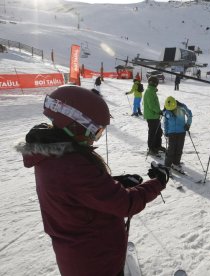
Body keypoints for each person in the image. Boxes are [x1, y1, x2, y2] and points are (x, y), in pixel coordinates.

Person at [15, 85, 169, 276]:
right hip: (96, 261)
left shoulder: (50, 153)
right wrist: (159, 181)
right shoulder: (72, 164)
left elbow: (78, 191)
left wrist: (116, 183)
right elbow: (126, 204)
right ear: (74, 125)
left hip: (77, 256)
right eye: (95, 132)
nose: (95, 139)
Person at [163, 96, 192, 173]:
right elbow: (165, 122)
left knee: (179, 148)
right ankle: (167, 166)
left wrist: (188, 124)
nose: (171, 110)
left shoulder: (182, 107)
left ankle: (176, 163)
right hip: (171, 132)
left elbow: (189, 114)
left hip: (181, 131)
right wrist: (166, 131)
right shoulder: (167, 110)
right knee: (171, 149)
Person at [143, 76, 165, 156]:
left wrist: (159, 112)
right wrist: (159, 111)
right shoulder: (149, 92)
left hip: (155, 115)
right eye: (156, 83)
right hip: (151, 116)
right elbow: (151, 105)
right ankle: (151, 148)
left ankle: (157, 146)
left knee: (158, 132)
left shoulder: (152, 91)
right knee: (153, 132)